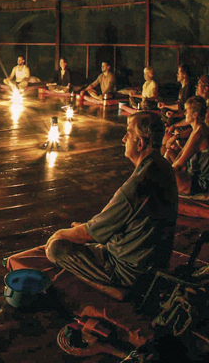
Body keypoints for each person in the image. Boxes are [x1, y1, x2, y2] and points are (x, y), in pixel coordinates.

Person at [45, 111, 177, 289]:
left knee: (56, 248)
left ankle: (116, 289)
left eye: (128, 133)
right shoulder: (163, 166)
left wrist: (59, 234)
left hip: (129, 272)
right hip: (155, 262)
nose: (123, 139)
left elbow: (88, 234)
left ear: (140, 143)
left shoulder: (137, 186)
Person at [164, 96, 209, 197]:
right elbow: (181, 153)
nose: (184, 113)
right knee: (169, 152)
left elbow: (179, 164)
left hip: (201, 184)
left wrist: (163, 173)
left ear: (195, 115)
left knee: (167, 175)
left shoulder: (199, 133)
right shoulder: (197, 129)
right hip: (191, 174)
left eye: (186, 111)